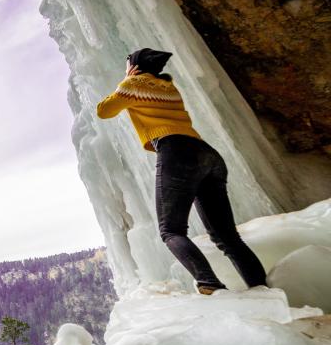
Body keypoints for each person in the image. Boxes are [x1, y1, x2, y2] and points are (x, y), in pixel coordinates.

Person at [96, 48, 267, 294]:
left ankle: (209, 283)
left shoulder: (132, 84)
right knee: (228, 237)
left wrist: (125, 80)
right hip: (207, 154)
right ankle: (263, 289)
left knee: (171, 231)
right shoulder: (169, 88)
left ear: (134, 65)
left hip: (176, 152)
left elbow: (104, 111)